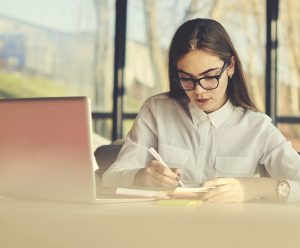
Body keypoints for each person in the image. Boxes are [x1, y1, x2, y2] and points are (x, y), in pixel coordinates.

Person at [102, 18, 300, 203]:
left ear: (230, 66)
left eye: (210, 76)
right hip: (164, 228)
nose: (199, 90)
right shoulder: (156, 110)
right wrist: (142, 176)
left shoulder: (257, 127)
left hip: (231, 232)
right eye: (187, 78)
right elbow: (110, 177)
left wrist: (255, 187)